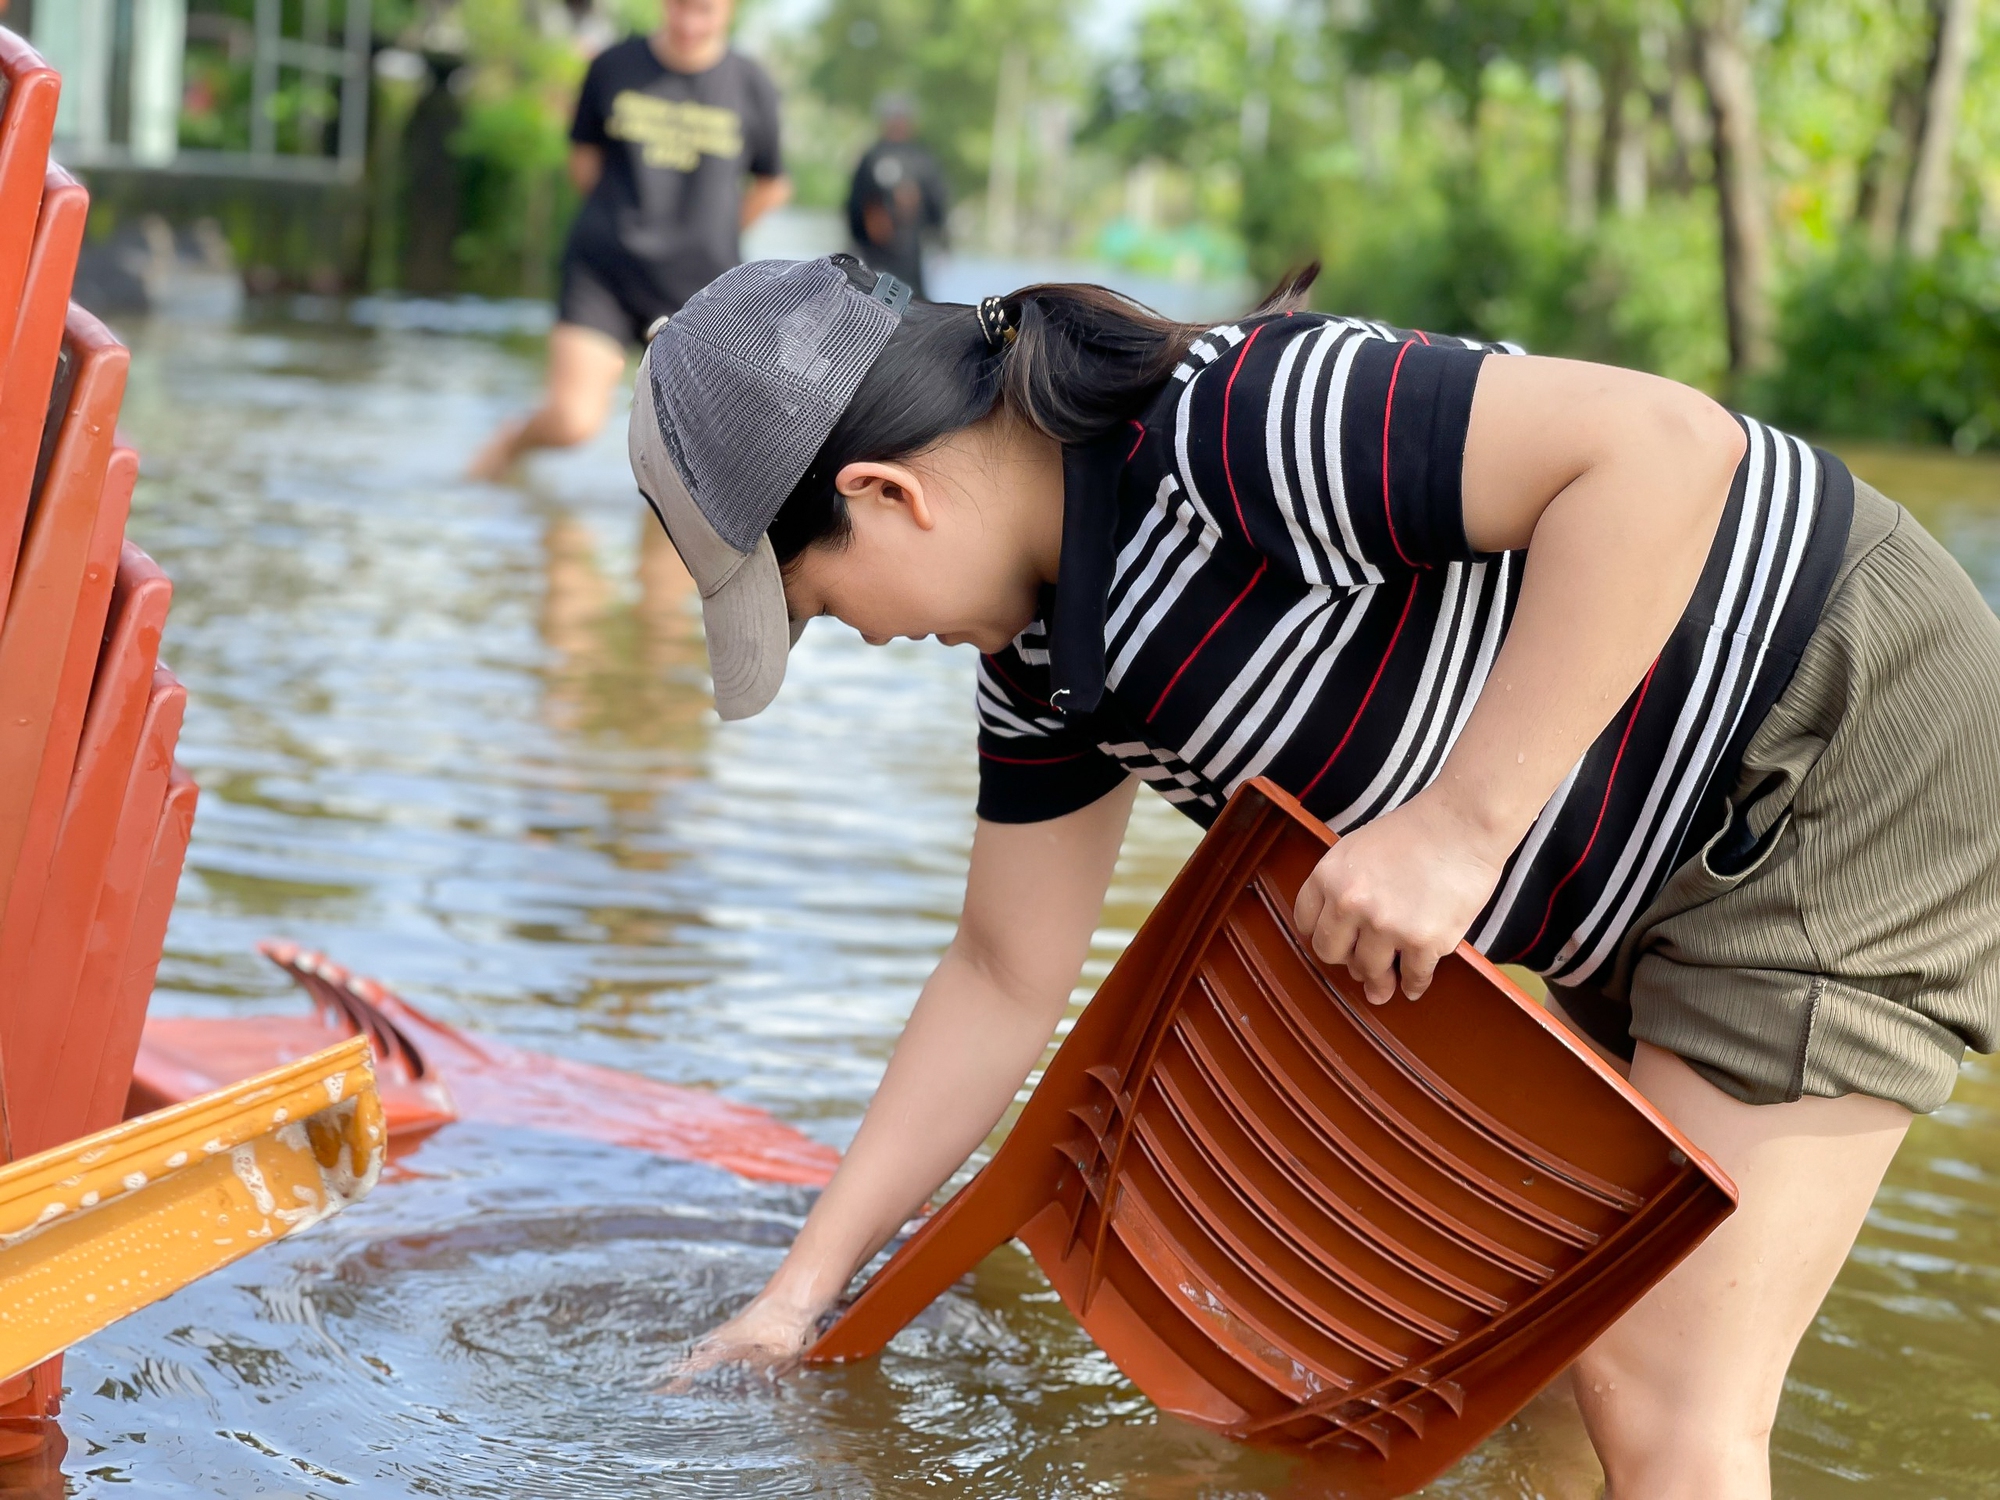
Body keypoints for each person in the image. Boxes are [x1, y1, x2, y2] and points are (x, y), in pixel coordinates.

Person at [628, 255, 2000, 1499]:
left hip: (1839, 747)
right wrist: (799, 1296)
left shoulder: (1232, 424)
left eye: (814, 605)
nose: (857, 641)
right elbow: (1000, 974)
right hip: (1643, 862)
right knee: (1544, 1384)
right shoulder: (1043, 665)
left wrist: (1462, 828)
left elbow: (1662, 449)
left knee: (1665, 1397)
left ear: (884, 496)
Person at [468, 0, 788, 480]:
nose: (688, 23)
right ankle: (507, 450)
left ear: (729, 9)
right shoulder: (613, 65)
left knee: (684, 464)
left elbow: (772, 185)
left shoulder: (752, 84)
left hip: (700, 291)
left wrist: (715, 231)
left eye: (704, 11)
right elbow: (583, 163)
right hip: (605, 270)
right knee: (571, 422)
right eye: (680, 7)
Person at [845, 96, 948, 299]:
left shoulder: (919, 160)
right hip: (876, 255)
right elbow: (856, 207)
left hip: (906, 254)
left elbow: (937, 205)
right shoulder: (878, 157)